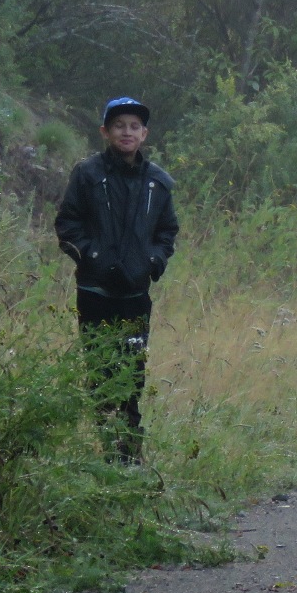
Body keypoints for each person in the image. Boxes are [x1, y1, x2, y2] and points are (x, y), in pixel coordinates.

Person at [55, 96, 180, 465]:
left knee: (131, 373)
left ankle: (130, 458)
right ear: (105, 132)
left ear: (145, 134)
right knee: (100, 371)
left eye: (134, 126)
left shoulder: (158, 182)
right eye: (119, 125)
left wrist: (153, 263)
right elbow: (67, 225)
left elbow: (167, 231)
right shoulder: (88, 173)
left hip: (135, 295)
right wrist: (96, 260)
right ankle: (107, 453)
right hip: (95, 292)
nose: (126, 132)